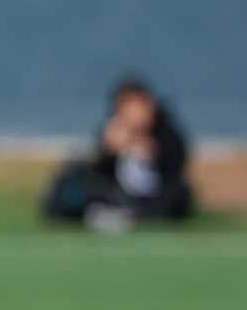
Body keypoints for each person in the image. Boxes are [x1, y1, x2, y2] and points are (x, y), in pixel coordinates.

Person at [44, 76, 194, 230]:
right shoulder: (114, 130)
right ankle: (113, 215)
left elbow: (177, 164)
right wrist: (112, 150)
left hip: (156, 193)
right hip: (119, 193)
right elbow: (101, 168)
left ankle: (131, 216)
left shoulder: (165, 132)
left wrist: (152, 151)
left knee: (177, 195)